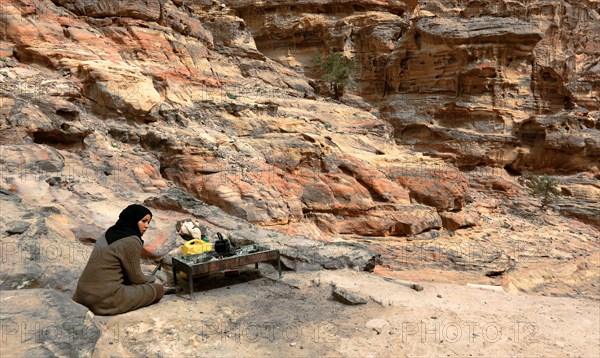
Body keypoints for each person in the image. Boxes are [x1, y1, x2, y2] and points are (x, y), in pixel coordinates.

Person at [73, 204, 164, 315]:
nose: (146, 226)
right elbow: (136, 278)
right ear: (133, 219)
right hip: (103, 299)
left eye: (148, 222)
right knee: (159, 290)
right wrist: (150, 278)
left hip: (82, 295)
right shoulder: (132, 241)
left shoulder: (109, 232)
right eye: (143, 221)